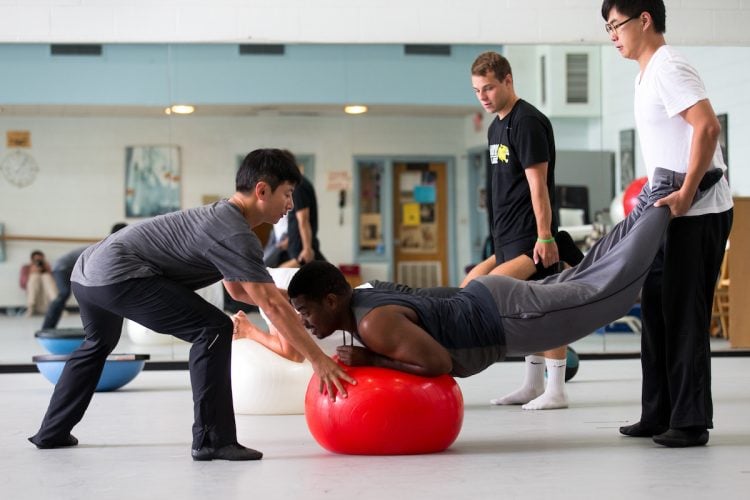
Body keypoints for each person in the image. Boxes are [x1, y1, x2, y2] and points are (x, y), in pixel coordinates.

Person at [28, 148, 354, 461]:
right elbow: (269, 304)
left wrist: (292, 303)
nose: (290, 203)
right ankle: (213, 441)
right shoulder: (234, 233)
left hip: (87, 273)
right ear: (262, 190)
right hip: (117, 274)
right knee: (213, 328)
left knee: (97, 344)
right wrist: (319, 361)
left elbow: (240, 291)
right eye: (287, 193)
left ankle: (52, 432)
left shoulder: (225, 221)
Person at [285, 167, 722, 387]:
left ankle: (668, 196)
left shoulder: (371, 324)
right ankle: (656, 190)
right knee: (590, 273)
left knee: (605, 292)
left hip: (505, 316)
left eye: (304, 311)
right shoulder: (362, 297)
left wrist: (371, 361)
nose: (304, 322)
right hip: (492, 300)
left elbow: (436, 364)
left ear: (330, 299)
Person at [601, 0, 733, 447]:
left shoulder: (670, 66)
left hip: (698, 211)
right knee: (655, 308)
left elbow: (708, 128)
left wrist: (686, 190)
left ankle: (691, 421)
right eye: (607, 28)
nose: (613, 34)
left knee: (683, 314)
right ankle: (657, 412)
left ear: (645, 19)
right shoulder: (645, 74)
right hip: (667, 210)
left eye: (616, 25)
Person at [468, 51, 570, 410]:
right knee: (515, 307)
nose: (483, 95)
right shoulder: (496, 126)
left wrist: (545, 237)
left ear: (508, 81)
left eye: (490, 87)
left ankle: (556, 388)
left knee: (535, 306)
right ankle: (531, 383)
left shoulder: (526, 122)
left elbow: (537, 186)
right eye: (478, 89)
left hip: (532, 238)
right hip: (507, 237)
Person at [40, 223, 128, 330]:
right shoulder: (107, 246)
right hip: (62, 268)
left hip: (73, 268)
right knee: (63, 294)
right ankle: (46, 327)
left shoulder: (109, 245)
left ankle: (99, 326)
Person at [279, 169, 325, 267]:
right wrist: (290, 239)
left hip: (301, 247)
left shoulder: (299, 186)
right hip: (298, 243)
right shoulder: (299, 185)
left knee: (282, 272)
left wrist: (307, 249)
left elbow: (303, 219)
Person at [20, 250, 57, 317]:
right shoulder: (26, 267)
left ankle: (57, 305)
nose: (38, 262)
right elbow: (23, 283)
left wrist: (46, 269)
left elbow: (56, 281)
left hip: (46, 295)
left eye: (40, 259)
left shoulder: (47, 266)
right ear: (32, 259)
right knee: (34, 277)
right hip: (34, 294)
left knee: (46, 276)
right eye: (36, 259)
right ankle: (30, 307)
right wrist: (32, 272)